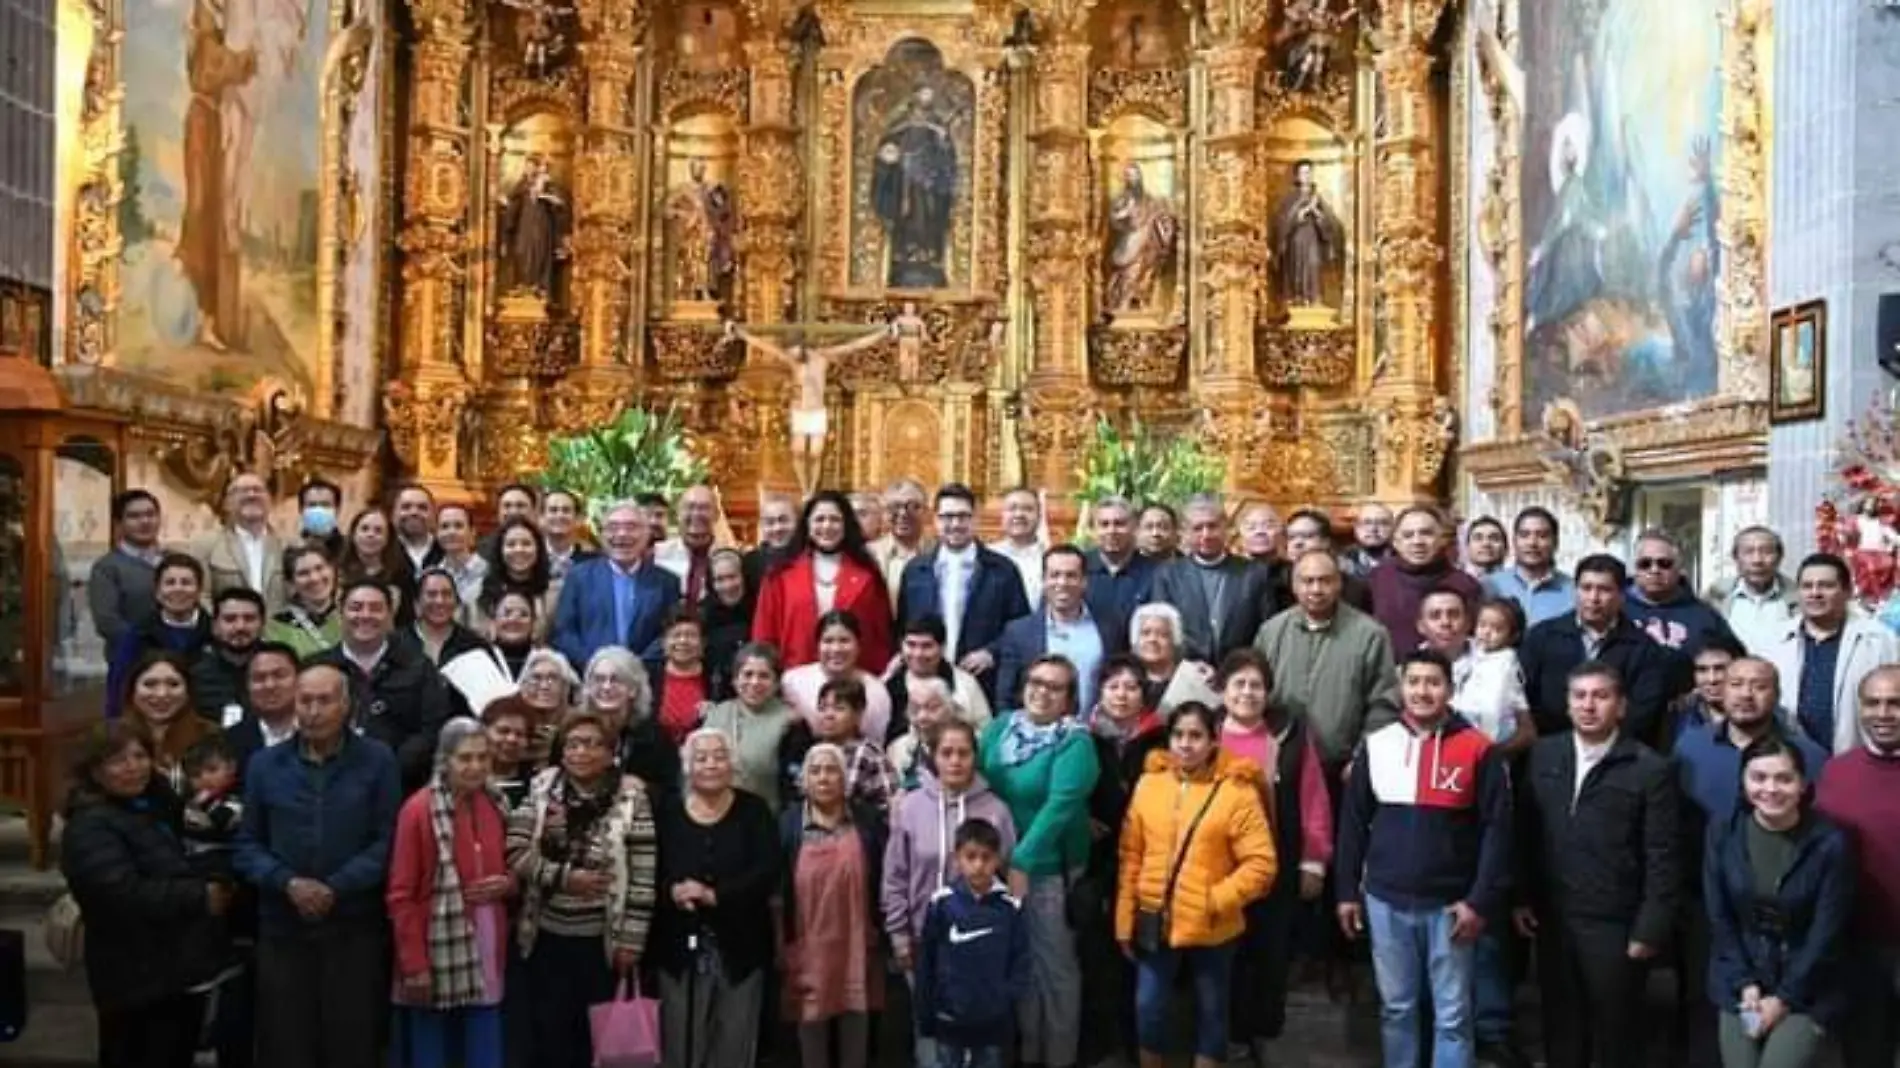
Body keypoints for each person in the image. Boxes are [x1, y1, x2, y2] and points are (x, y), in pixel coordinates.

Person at [1335, 649, 1512, 1068]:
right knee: (1396, 1008)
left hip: (1451, 906)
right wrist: (1345, 891)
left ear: (1449, 690)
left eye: (1433, 682)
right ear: (1401, 688)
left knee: (1453, 1015)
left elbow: (1498, 831)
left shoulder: (1479, 749)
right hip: (1384, 900)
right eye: (1414, 682)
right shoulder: (1377, 746)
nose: (1422, 691)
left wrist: (1478, 901)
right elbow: (1354, 824)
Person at [1514, 662, 1680, 1068]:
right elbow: (1524, 835)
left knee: (1616, 1033)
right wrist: (1520, 897)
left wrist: (1650, 927)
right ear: (1568, 704)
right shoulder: (1543, 754)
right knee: (1561, 1028)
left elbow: (1663, 855)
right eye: (1580, 696)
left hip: (1616, 923)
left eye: (1601, 696)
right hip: (1554, 917)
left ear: (1621, 707)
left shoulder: (1649, 768)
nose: (1589, 705)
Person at [236, 663, 402, 1068]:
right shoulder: (264, 765)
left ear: (346, 706)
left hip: (353, 927)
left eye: (323, 700)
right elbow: (246, 844)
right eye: (304, 701)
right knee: (285, 1044)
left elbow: (388, 841)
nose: (312, 710)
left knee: (352, 1042)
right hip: (283, 927)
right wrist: (288, 883)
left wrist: (337, 887)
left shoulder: (377, 761)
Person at [1675, 657, 1833, 1068]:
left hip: (1791, 928)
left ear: (1777, 696)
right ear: (1719, 691)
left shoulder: (1811, 756)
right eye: (1736, 683)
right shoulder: (1689, 745)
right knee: (1705, 1017)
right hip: (1710, 905)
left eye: (1759, 685)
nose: (1746, 694)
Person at [61, 719, 233, 1068]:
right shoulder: (90, 825)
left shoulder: (154, 804)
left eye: (139, 756)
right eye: (118, 760)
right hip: (132, 977)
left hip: (172, 969)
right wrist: (200, 896)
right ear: (94, 770)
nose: (133, 767)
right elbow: (121, 895)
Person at [1117, 701, 1278, 1068]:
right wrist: (1125, 920)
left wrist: (1216, 899)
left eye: (1195, 736)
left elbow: (1262, 863)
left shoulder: (1237, 791)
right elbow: (1131, 857)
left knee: (1212, 1013)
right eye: (1178, 735)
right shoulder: (1149, 785)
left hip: (1214, 924)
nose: (1186, 744)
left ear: (1212, 741)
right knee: (1147, 1007)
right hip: (1155, 919)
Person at [507, 710, 658, 1068]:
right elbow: (515, 850)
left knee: (593, 1041)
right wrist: (563, 878)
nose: (582, 752)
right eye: (573, 744)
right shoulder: (542, 790)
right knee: (550, 1036)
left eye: (592, 744)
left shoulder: (632, 798)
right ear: (561, 752)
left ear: (610, 753)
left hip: (603, 942)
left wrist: (632, 942)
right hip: (545, 938)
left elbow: (644, 873)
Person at [979, 654, 1099, 1068]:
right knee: (1023, 966)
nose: (1041, 691)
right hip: (997, 869)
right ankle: (1031, 1055)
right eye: (1035, 681)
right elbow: (971, 776)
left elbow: (1061, 806)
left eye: (1054, 686)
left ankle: (1061, 1058)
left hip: (1049, 872)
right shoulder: (999, 729)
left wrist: (1022, 861)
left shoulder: (1075, 741)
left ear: (1070, 699)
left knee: (1057, 970)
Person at [1706, 736, 1853, 1068]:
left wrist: (1784, 999)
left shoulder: (1830, 843)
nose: (1770, 789)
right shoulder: (1723, 831)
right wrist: (1745, 984)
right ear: (1743, 783)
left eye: (1784, 778)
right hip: (1740, 979)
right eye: (1759, 778)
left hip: (1807, 984)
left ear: (1802, 784)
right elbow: (1720, 915)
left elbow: (1826, 932)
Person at [1216, 649, 1332, 1062]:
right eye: (1239, 684)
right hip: (1214, 873)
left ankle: (1261, 1036)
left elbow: (1313, 800)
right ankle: (1224, 1037)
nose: (1247, 693)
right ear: (1222, 690)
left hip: (1274, 870)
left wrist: (1313, 859)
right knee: (1222, 960)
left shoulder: (1289, 737)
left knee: (1268, 956)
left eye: (1256, 685)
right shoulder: (1202, 734)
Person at [883, 720, 1018, 1065]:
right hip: (923, 942)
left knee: (984, 1043)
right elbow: (895, 874)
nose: (955, 761)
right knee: (932, 1042)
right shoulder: (911, 807)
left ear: (975, 757)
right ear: (933, 757)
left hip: (983, 946)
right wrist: (898, 933)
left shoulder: (996, 810)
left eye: (963, 753)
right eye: (947, 753)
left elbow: (1011, 876)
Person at [387, 718, 516, 1068]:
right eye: (465, 758)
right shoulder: (418, 809)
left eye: (482, 758)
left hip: (487, 945)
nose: (475, 767)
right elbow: (401, 895)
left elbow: (515, 866)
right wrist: (415, 966)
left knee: (483, 1047)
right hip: (434, 949)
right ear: (445, 760)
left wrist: (510, 883)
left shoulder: (497, 803)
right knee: (432, 1051)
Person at [655, 728, 782, 1068]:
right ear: (687, 766)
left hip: (741, 947)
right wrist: (672, 891)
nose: (711, 764)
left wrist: (715, 895)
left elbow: (768, 869)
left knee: (735, 1042)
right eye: (701, 757)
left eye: (719, 756)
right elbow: (651, 869)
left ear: (732, 764)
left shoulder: (754, 811)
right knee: (681, 1042)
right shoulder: (667, 812)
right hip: (678, 947)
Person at [1080, 654, 1169, 1068]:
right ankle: (1100, 1042)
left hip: (1148, 862)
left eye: (1131, 686)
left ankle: (1142, 1045)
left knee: (1141, 956)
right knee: (1096, 956)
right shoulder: (1082, 737)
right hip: (1095, 860)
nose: (1122, 694)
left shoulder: (1162, 738)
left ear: (1144, 694)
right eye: (1113, 685)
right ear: (1100, 691)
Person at [778, 743, 890, 1068]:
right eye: (815, 771)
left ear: (845, 779)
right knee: (810, 1030)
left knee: (857, 1029)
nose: (824, 778)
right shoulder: (788, 825)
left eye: (831, 770)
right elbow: (776, 892)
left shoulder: (867, 822)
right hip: (807, 945)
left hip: (857, 943)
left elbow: (884, 878)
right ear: (804, 781)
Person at [1815, 666, 1900, 1068]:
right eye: (1873, 703)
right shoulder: (1835, 772)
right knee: (1866, 1054)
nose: (1884, 713)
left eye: (1895, 703)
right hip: (1858, 948)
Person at [1253, 550, 1400, 772]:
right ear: (1294, 585)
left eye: (1325, 581)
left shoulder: (1370, 634)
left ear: (1339, 583)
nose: (1316, 589)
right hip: (1280, 762)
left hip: (1342, 766)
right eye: (1307, 581)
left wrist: (1362, 757)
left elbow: (1383, 702)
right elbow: (1255, 693)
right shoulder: (1271, 632)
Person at [312, 578, 454, 792]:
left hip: (402, 786)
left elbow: (431, 730)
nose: (365, 615)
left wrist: (388, 769)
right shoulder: (317, 668)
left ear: (390, 615)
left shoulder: (418, 666)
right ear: (340, 613)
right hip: (327, 786)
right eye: (356, 608)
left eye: (376, 608)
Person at [1520, 555, 1678, 744]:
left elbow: (1642, 714)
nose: (1593, 598)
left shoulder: (1643, 649)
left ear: (1621, 596)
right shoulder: (1542, 637)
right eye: (1586, 588)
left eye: (1604, 590)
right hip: (1550, 751)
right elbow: (1524, 699)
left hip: (1617, 757)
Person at [913, 818, 1031, 1068]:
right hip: (949, 1019)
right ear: (957, 858)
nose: (979, 865)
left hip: (993, 1023)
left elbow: (1021, 960)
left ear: (998, 860)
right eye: (971, 856)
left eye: (986, 857)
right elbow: (926, 962)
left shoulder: (1009, 907)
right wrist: (927, 1012)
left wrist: (1005, 999)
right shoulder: (942, 904)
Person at [897, 483, 1033, 697]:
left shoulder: (1003, 570)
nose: (955, 524)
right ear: (935, 520)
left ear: (975, 519)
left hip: (982, 681)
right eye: (947, 517)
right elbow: (903, 627)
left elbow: (1020, 628)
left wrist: (991, 652)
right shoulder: (916, 571)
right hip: (924, 681)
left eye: (963, 516)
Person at [1766, 553, 1900, 754]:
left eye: (1826, 586)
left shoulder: (1880, 640)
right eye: (1807, 586)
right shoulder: (1773, 640)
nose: (1815, 593)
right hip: (1790, 761)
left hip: (1857, 759)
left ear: (1847, 591)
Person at [753, 490, 895, 674]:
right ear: (807, 525)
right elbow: (764, 635)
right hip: (794, 679)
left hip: (852, 682)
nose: (827, 526)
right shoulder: (780, 575)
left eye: (835, 519)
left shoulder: (868, 575)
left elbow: (880, 637)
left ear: (846, 525)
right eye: (819, 519)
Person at [551, 501, 682, 674]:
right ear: (602, 535)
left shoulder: (666, 581)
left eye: (631, 527)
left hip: (646, 679)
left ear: (646, 534)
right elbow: (564, 631)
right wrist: (594, 665)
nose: (622, 534)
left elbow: (668, 633)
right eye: (613, 527)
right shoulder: (579, 576)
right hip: (590, 678)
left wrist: (634, 667)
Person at [1147, 494, 1278, 663]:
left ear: (1226, 528)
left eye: (1212, 526)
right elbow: (1162, 630)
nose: (1206, 534)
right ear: (1185, 533)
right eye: (1197, 528)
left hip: (1240, 671)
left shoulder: (1254, 573)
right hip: (1186, 672)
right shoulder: (1168, 575)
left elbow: (1268, 631)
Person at [997, 545, 1124, 717]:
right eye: (1055, 575)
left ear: (1084, 581)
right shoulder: (1019, 632)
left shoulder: (1110, 628)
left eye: (1071, 575)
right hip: (1039, 736)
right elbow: (1005, 696)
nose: (1062, 583)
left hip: (1096, 735)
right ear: (1043, 580)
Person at [1368, 506, 1482, 659]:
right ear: (1395, 542)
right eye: (1408, 535)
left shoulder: (1466, 585)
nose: (1418, 541)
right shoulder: (1377, 579)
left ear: (1442, 539)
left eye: (1426, 533)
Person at [106, 552, 211, 718]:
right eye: (170, 583)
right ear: (157, 591)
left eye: (186, 583)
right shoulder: (137, 635)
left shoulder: (216, 633)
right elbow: (118, 687)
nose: (178, 589)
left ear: (199, 591)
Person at [700, 642, 796, 811]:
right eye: (747, 674)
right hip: (715, 814)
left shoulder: (790, 722)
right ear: (735, 680)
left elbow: (791, 787)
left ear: (776, 682)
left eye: (764, 676)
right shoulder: (716, 716)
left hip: (767, 819)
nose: (754, 682)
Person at [779, 676, 895, 812]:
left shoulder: (869, 755)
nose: (829, 715)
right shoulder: (811, 750)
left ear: (858, 713)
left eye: (839, 709)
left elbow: (890, 807)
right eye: (822, 708)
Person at [782, 611, 897, 744]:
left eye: (844, 641)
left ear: (858, 645)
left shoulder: (876, 691)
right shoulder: (792, 682)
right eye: (828, 641)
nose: (836, 649)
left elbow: (876, 741)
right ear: (817, 645)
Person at [1624, 529, 1740, 661]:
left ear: (1679, 568)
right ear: (1634, 568)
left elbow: (1735, 663)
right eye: (1645, 564)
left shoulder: (1704, 616)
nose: (1654, 570)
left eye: (1664, 564)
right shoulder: (1615, 610)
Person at [580, 645, 677, 796]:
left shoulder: (655, 738)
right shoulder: (572, 730)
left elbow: (672, 793)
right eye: (599, 679)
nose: (606, 687)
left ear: (633, 689)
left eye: (616, 680)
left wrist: (644, 788)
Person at [1450, 596, 1537, 758]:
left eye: (1497, 629)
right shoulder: (1470, 651)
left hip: (1492, 727)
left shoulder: (1507, 660)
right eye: (1482, 625)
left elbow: (1502, 700)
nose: (1486, 633)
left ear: (1513, 636)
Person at [886, 615, 994, 740]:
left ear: (942, 648)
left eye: (926, 646)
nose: (918, 653)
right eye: (911, 645)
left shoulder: (965, 685)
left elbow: (987, 735)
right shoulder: (891, 685)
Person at [121, 652, 215, 793]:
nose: (162, 694)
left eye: (173, 684)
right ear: (132, 690)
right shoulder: (112, 738)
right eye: (150, 684)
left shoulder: (211, 736)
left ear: (188, 691)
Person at [198, 471, 289, 613]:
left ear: (270, 501)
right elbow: (202, 597)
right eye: (241, 491)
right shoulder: (206, 546)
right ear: (227, 503)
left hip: (280, 633)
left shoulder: (288, 546)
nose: (251, 495)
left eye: (258, 490)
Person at [89, 489, 165, 648]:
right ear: (119, 523)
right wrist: (151, 646)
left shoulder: (174, 560)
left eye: (150, 514)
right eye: (134, 516)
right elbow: (107, 622)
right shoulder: (107, 567)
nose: (145, 521)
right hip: (130, 660)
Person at [1707, 527, 1798, 656]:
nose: (1757, 560)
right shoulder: (1715, 598)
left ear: (1779, 558)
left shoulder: (1798, 599)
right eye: (1748, 552)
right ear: (1736, 558)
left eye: (1766, 552)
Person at [1484, 506, 1575, 626]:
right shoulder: (1490, 586)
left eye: (1542, 536)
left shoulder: (1572, 590)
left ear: (1555, 542)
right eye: (1524, 535)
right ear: (1514, 541)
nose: (1532, 543)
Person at [1082, 496, 1157, 636]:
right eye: (1104, 524)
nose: (1112, 531)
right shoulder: (1077, 569)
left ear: (1134, 527)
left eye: (1120, 524)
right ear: (1093, 530)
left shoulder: (1155, 574)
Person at [1127, 603, 1217, 714]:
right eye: (1145, 633)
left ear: (1175, 641)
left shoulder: (1196, 678)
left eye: (1162, 635)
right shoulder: (1124, 681)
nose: (1152, 639)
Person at [227, 642, 301, 774]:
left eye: (279, 675)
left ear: (300, 679)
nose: (270, 685)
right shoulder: (230, 743)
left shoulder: (326, 732)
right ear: (247, 686)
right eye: (259, 678)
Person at [193, 587, 265, 721]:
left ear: (262, 624)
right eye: (230, 619)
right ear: (215, 626)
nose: (240, 627)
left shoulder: (279, 671)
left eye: (249, 619)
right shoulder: (196, 675)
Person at [475, 516, 554, 633]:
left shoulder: (554, 594)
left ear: (538, 549)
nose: (519, 549)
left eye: (526, 544)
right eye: (511, 544)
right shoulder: (479, 593)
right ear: (500, 550)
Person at [264, 544, 341, 660]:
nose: (314, 578)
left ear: (333, 571)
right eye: (303, 573)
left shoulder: (353, 617)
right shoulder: (275, 628)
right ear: (291, 583)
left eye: (320, 568)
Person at [341, 507, 418, 624]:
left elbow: (407, 620)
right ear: (353, 534)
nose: (370, 535)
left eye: (378, 531)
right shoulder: (338, 571)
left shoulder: (401, 576)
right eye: (364, 529)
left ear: (388, 539)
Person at [653, 606, 712, 745]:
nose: (683, 641)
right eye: (676, 635)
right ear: (664, 642)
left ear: (703, 643)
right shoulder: (647, 676)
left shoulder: (717, 679)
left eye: (691, 635)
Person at [653, 484, 721, 604]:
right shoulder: (657, 556)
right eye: (689, 507)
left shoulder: (729, 557)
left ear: (717, 515)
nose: (696, 514)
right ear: (678, 514)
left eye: (704, 508)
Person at [702, 547, 753, 699]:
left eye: (732, 577)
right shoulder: (703, 615)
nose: (728, 585)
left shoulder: (759, 608)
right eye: (720, 579)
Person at [514, 647, 579, 766]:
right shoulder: (512, 726)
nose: (544, 686)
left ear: (565, 687)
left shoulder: (578, 725)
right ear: (523, 687)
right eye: (536, 678)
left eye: (552, 679)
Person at [412, 568, 490, 666]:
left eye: (446, 594)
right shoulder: (397, 644)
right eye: (432, 594)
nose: (440, 601)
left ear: (456, 602)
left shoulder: (475, 646)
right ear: (417, 603)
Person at [988, 487, 1049, 608]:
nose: (1019, 514)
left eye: (1028, 509)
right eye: (1012, 508)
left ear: (1039, 515)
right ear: (1002, 515)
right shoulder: (986, 556)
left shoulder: (1050, 557)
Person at [482, 697, 538, 809]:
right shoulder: (465, 781)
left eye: (519, 734)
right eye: (503, 731)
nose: (511, 739)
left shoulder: (539, 786)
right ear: (483, 732)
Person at [743, 491, 800, 591]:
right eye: (770, 522)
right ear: (762, 526)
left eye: (783, 520)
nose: (777, 528)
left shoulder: (810, 558)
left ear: (797, 521)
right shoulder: (750, 563)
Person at [540, 489, 597, 581]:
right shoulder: (530, 558)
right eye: (553, 510)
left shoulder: (594, 562)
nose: (559, 515)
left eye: (566, 511)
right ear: (541, 518)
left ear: (579, 519)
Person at [394, 484, 445, 572]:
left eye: (422, 507)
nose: (414, 512)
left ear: (433, 514)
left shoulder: (446, 551)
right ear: (394, 512)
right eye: (406, 507)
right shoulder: (383, 551)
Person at [296, 478, 346, 561]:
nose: (318, 510)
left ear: (337, 509)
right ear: (301, 510)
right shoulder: (292, 550)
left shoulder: (350, 550)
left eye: (325, 505)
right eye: (312, 505)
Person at [1341, 501, 1394, 579]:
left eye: (1382, 523)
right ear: (1356, 527)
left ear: (1393, 527)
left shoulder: (1405, 558)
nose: (1373, 529)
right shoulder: (1341, 558)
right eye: (1367, 522)